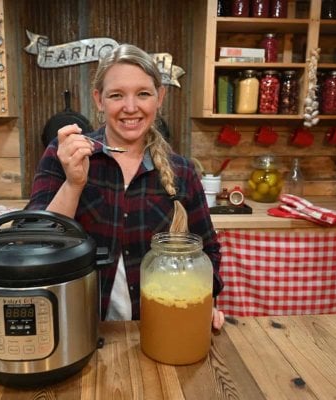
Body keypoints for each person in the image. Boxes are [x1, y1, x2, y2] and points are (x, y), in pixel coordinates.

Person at [27, 43, 225, 330]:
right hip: (76, 328)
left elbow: (207, 252)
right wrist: (74, 183)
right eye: (116, 95)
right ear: (99, 99)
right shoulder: (66, 154)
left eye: (143, 94)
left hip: (160, 328)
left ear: (160, 97)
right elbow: (35, 244)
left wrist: (204, 301)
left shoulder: (181, 171)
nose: (130, 108)